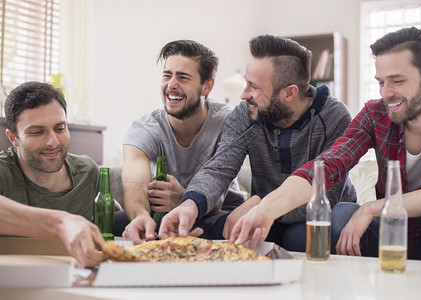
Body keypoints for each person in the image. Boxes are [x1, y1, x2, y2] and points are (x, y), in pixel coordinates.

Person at [230, 27, 421, 262]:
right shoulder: (375, 115)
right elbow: (327, 165)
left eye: (397, 81)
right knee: (342, 214)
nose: (386, 93)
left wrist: (371, 208)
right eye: (381, 82)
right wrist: (266, 209)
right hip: (388, 236)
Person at [158, 34, 356, 252]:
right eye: (246, 82)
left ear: (289, 93)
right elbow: (219, 168)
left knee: (299, 237)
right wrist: (189, 206)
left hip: (319, 217)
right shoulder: (246, 114)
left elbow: (326, 196)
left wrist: (262, 202)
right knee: (205, 228)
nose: (243, 95)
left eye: (254, 87)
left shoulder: (334, 118)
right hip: (263, 217)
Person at [120, 39, 246, 244]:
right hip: (163, 217)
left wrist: (185, 199)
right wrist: (141, 216)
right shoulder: (144, 128)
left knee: (222, 226)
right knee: (117, 223)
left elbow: (218, 195)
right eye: (167, 75)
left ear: (207, 86)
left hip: (219, 214)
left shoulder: (229, 121)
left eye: (183, 77)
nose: (171, 85)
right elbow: (134, 182)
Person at [0, 81, 107, 267]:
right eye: (37, 132)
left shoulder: (87, 173)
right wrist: (61, 223)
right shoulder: (3, 171)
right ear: (13, 138)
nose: (53, 142)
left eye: (60, 128)